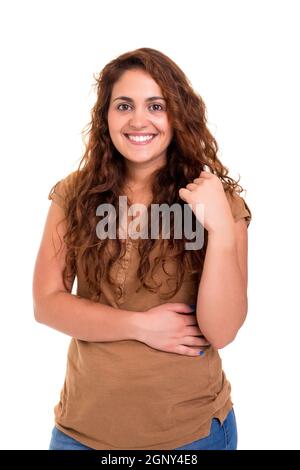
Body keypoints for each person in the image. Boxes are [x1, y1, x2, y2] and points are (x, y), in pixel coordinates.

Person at [32, 47, 252, 451]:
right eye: (124, 105)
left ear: (177, 115)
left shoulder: (217, 201)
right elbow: (46, 304)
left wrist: (220, 229)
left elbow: (222, 331)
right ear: (106, 117)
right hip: (81, 434)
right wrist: (141, 326)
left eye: (156, 105)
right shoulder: (74, 194)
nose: (138, 120)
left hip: (191, 437)